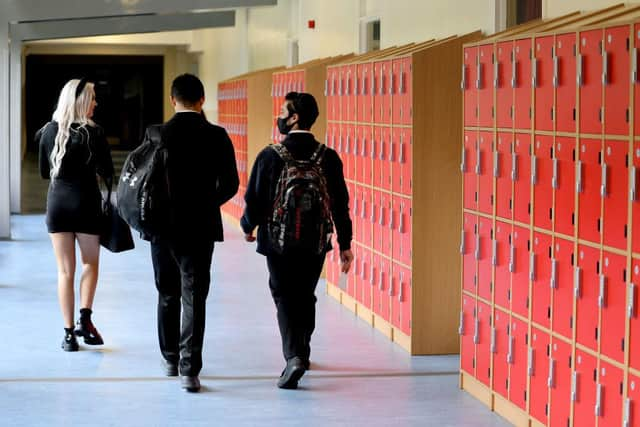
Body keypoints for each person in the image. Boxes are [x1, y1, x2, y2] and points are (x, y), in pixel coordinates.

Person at [241, 91, 353, 390]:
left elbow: (255, 199)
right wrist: (345, 243)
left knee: (284, 294)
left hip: (278, 241)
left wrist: (247, 226)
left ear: (294, 118)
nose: (278, 116)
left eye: (282, 111)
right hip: (315, 241)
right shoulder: (327, 156)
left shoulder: (270, 155)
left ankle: (294, 357)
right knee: (306, 294)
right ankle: (302, 350)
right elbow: (341, 203)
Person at [149, 74, 239, 392]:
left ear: (173, 100)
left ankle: (170, 358)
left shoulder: (157, 134)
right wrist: (205, 203)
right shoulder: (216, 135)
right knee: (194, 295)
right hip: (201, 227)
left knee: (167, 293)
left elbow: (145, 185)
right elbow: (231, 184)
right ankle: (190, 370)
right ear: (202, 101)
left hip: (163, 227)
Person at [38, 78, 114, 352]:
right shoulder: (94, 133)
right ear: (81, 102)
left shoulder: (49, 131)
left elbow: (46, 173)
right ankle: (85, 319)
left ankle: (68, 335)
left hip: (57, 204)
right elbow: (107, 171)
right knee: (90, 264)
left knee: (64, 271)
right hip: (86, 204)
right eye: (92, 98)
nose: (96, 103)